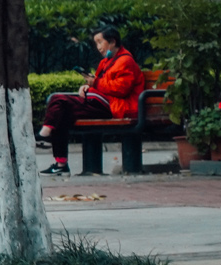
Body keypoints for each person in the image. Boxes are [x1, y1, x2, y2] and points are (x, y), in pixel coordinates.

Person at [38, 25, 145, 177]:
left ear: (112, 42)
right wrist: (87, 86)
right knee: (62, 113)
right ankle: (60, 163)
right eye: (96, 43)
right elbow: (101, 84)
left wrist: (94, 84)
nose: (98, 47)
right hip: (104, 103)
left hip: (116, 107)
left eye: (100, 42)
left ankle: (45, 134)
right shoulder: (106, 62)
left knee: (57, 99)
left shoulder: (126, 61)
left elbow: (121, 89)